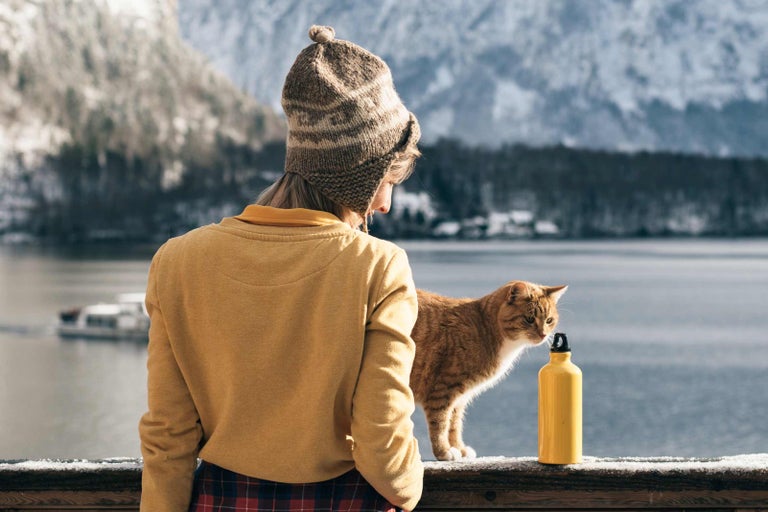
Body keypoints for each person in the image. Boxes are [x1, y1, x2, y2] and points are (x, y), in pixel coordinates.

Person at [138, 25, 424, 512]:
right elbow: (381, 438)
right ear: (361, 175)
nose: (386, 205)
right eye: (388, 180)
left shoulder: (177, 261)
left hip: (224, 501)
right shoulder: (378, 266)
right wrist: (409, 488)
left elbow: (169, 434)